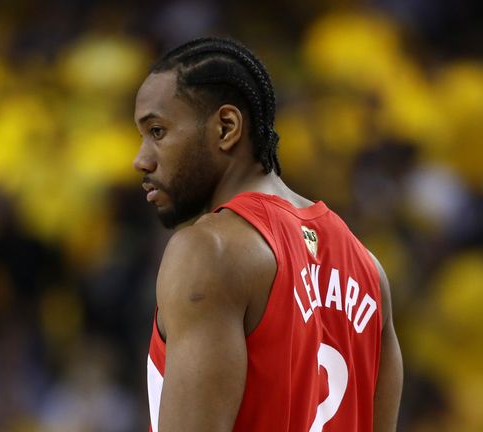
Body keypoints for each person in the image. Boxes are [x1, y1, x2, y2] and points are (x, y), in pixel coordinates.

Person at [133, 37, 403, 431]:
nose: (141, 159)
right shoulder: (369, 271)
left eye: (157, 131)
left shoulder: (210, 251)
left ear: (226, 127)